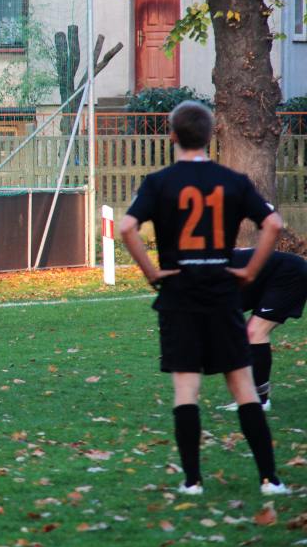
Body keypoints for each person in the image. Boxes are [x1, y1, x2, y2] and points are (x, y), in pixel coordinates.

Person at [119, 100, 288, 496]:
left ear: (172, 135)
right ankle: (270, 479)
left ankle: (192, 481)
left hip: (179, 295)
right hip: (222, 295)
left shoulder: (159, 182)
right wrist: (248, 271)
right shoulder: (232, 181)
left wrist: (152, 272)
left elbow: (127, 227)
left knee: (186, 391)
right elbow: (274, 224)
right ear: (211, 135)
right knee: (244, 388)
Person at [216, 248, 307, 412]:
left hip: (288, 274)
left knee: (254, 333)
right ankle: (248, 396)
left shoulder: (207, 280)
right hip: (267, 280)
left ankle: (259, 400)